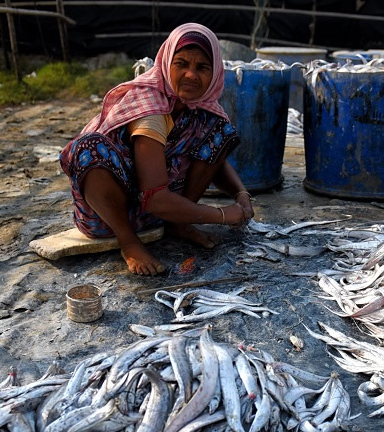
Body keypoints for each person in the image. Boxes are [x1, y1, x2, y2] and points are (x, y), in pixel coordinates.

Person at [59, 23, 254, 275]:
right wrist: (221, 215)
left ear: (215, 72)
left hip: (165, 212)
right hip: (113, 214)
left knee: (220, 131)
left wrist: (241, 193)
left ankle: (179, 224)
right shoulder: (150, 107)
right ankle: (128, 242)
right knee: (89, 148)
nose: (191, 75)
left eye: (202, 67)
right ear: (166, 64)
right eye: (181, 64)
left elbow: (214, 159)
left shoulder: (201, 109)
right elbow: (155, 198)